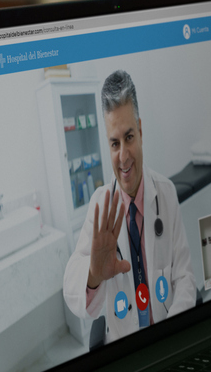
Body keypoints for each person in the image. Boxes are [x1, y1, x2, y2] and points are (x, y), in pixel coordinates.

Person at [63, 69, 195, 347]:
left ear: (141, 132)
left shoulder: (166, 193)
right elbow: (71, 289)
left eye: (129, 137)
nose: (123, 157)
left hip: (167, 336)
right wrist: (93, 275)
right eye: (114, 143)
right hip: (124, 348)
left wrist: (171, 335)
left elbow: (184, 278)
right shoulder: (100, 206)